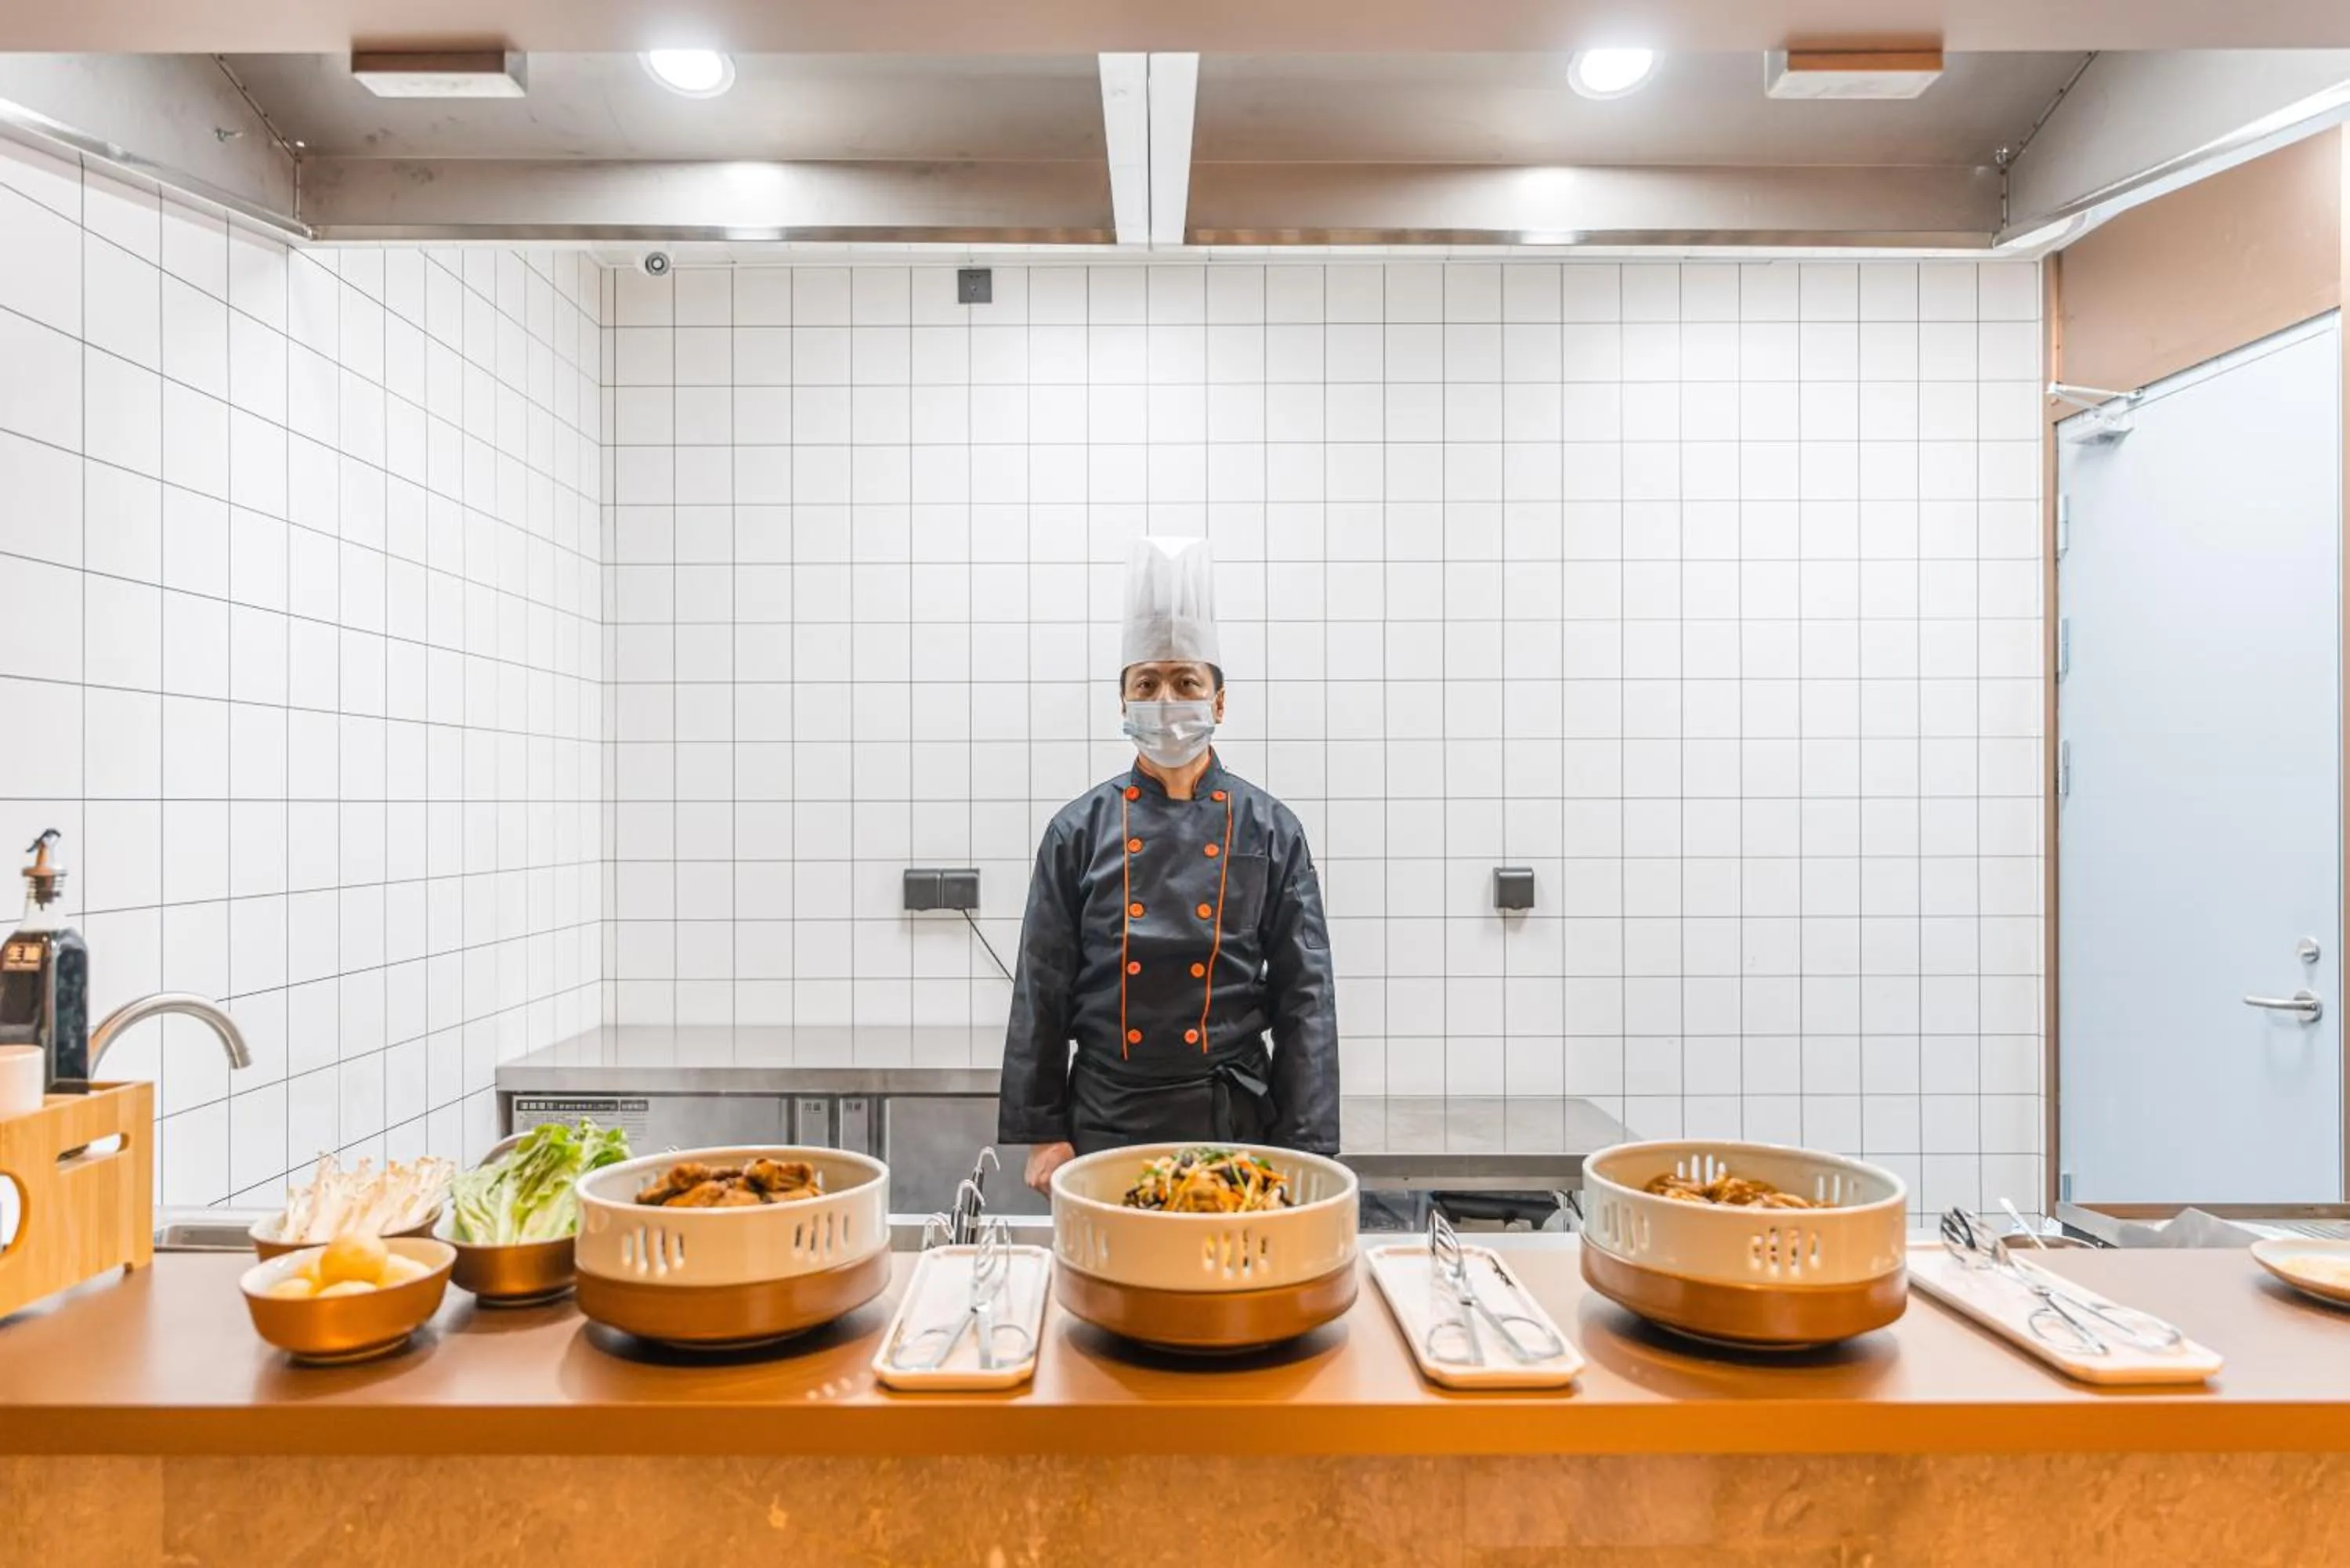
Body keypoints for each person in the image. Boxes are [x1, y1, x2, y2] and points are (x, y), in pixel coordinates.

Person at [999, 537, 1340, 1192]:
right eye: (1146, 683)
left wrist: (1308, 1147)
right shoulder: (1078, 830)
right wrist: (1043, 1132)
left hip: (1233, 1122)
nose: (1165, 699)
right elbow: (1041, 989)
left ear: (1218, 702)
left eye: (1186, 682)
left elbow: (1306, 998)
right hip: (1105, 1121)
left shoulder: (1272, 829)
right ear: (1123, 702)